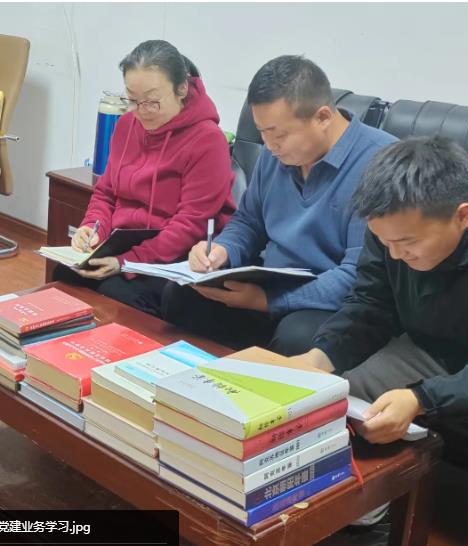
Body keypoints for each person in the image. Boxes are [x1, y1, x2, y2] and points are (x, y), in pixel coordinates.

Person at [292, 136, 468, 544]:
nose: (396, 255)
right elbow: (371, 303)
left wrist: (422, 398)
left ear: (462, 216)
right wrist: (319, 357)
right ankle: (356, 518)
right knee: (333, 394)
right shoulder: (391, 223)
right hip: (436, 347)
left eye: (409, 244)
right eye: (386, 243)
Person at [161, 55, 397, 355]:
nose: (270, 146)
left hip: (328, 302)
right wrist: (222, 250)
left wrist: (269, 301)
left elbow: (358, 276)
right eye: (263, 132)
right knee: (181, 295)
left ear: (323, 117)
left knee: (297, 337)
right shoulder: (277, 153)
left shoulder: (380, 164)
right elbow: (249, 222)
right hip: (270, 284)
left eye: (280, 135)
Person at [54, 39, 235, 317]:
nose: (141, 111)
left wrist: (126, 262)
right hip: (122, 244)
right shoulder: (127, 125)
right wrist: (92, 228)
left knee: (118, 292)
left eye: (151, 101)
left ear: (181, 88)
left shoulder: (208, 140)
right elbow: (106, 193)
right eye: (132, 100)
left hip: (175, 255)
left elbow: (190, 224)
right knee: (66, 273)